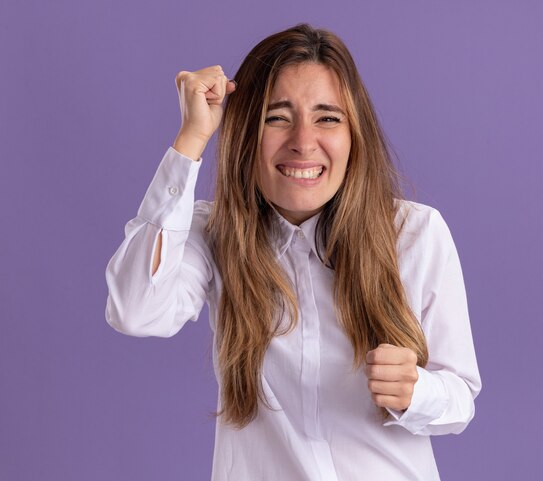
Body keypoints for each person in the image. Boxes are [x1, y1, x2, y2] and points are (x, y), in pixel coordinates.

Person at [105, 22, 481, 481]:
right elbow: (135, 310)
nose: (304, 142)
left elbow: (461, 399)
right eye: (277, 117)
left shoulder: (416, 234)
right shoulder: (214, 233)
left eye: (328, 118)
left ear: (353, 135)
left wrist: (415, 391)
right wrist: (191, 140)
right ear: (246, 133)